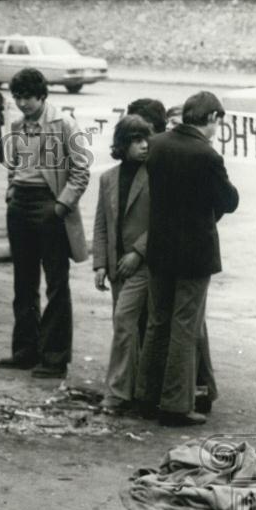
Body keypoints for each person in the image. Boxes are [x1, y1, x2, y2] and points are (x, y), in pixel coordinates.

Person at [136, 91, 239, 426]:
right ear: (211, 118)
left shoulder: (159, 144)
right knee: (185, 326)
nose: (216, 129)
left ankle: (147, 396)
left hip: (160, 248)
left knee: (157, 322)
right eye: (217, 123)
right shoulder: (207, 156)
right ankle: (176, 404)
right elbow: (229, 199)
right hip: (195, 251)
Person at [0, 68, 90, 379]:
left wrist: (61, 206)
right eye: (18, 97)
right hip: (20, 204)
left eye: (28, 97)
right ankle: (25, 351)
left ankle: (54, 357)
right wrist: (12, 190)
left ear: (42, 96)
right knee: (23, 283)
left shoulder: (63, 123)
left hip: (50, 205)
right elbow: (13, 164)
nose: (23, 103)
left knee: (55, 284)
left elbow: (81, 170)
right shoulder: (16, 125)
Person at [93, 116, 153, 414]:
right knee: (130, 325)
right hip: (117, 266)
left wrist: (138, 253)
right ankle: (137, 391)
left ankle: (116, 393)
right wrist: (100, 264)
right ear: (122, 144)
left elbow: (161, 221)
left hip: (143, 264)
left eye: (146, 139)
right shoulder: (108, 178)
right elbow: (102, 223)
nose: (143, 145)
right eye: (136, 140)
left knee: (124, 320)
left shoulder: (154, 175)